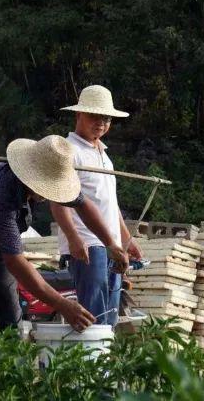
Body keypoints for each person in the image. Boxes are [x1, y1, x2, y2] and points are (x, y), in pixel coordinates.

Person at [0, 135, 130, 342]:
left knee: (10, 303)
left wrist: (111, 244)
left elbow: (83, 205)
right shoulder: (0, 193)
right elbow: (16, 262)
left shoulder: (48, 172)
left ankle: (11, 366)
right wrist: (61, 304)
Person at [50, 85, 143, 326]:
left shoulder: (104, 155)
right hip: (88, 244)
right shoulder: (69, 151)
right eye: (94, 116)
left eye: (106, 118)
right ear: (79, 115)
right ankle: (92, 360)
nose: (100, 123)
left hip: (110, 245)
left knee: (110, 313)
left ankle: (104, 361)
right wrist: (72, 237)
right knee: (94, 311)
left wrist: (126, 240)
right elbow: (58, 199)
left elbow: (110, 203)